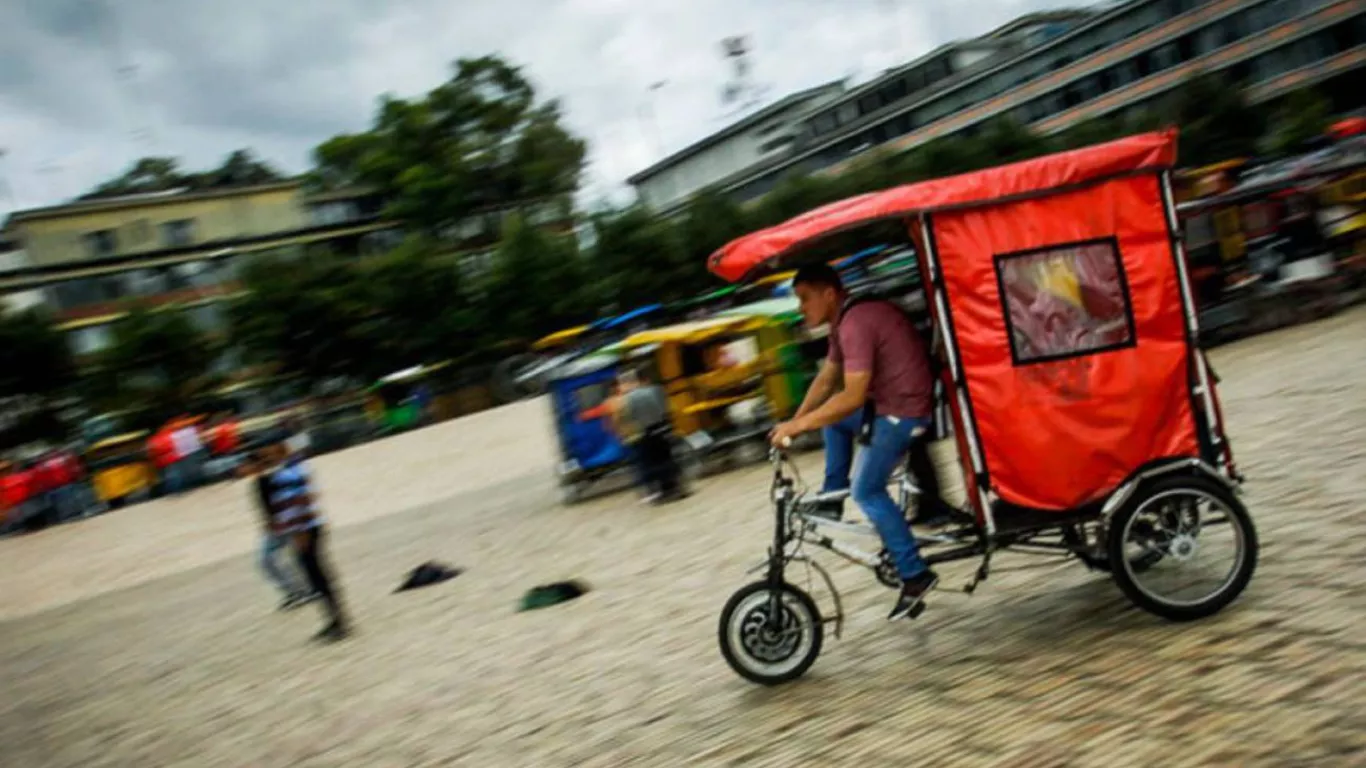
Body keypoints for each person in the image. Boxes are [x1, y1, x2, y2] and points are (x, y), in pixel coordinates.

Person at [769, 263, 942, 621]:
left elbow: (850, 397)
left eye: (805, 299)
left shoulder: (855, 324)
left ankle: (915, 573)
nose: (801, 308)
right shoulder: (844, 321)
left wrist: (799, 426)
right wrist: (794, 420)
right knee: (831, 422)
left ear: (829, 294)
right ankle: (833, 496)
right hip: (884, 405)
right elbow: (827, 379)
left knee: (867, 490)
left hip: (903, 412)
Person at [259, 438, 351, 641]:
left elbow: (302, 501)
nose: (268, 458)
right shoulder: (295, 469)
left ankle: (338, 622)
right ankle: (335, 620)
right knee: (317, 575)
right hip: (305, 527)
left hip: (305, 529)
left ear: (280, 451)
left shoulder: (287, 474)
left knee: (318, 576)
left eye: (270, 453)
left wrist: (300, 530)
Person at [239, 450, 314, 611]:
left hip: (281, 526)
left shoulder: (268, 480)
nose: (243, 468)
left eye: (246, 464)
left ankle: (298, 591)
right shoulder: (261, 481)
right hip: (277, 526)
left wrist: (278, 521)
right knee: (284, 559)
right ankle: (301, 590)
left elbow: (280, 502)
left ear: (256, 464)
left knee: (268, 561)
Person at [616, 369, 685, 504]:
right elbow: (667, 409)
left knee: (654, 463)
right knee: (667, 458)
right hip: (663, 427)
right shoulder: (656, 390)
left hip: (646, 433)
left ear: (629, 383)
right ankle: (676, 488)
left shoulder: (628, 399)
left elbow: (629, 417)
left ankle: (663, 492)